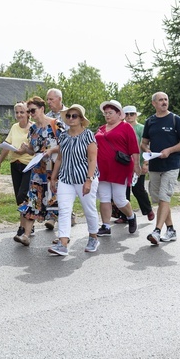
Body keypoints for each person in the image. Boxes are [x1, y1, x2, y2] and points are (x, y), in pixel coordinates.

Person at [49, 105, 100, 255]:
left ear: (81, 119)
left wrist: (89, 180)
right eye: (69, 116)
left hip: (84, 178)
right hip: (66, 178)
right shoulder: (63, 135)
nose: (71, 118)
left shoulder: (88, 135)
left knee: (89, 209)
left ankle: (93, 237)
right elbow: (59, 158)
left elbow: (92, 159)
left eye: (74, 116)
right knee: (64, 210)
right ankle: (63, 244)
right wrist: (53, 177)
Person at [141, 92, 180, 245]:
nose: (164, 102)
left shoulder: (175, 119)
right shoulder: (150, 121)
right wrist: (146, 150)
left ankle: (157, 231)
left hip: (171, 165)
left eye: (166, 100)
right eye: (160, 100)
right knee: (160, 199)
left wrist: (170, 150)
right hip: (155, 165)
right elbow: (143, 142)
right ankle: (171, 230)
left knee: (164, 197)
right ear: (154, 104)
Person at [12, 96, 63, 246]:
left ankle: (62, 236)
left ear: (42, 109)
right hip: (37, 172)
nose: (30, 113)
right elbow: (33, 150)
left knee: (56, 203)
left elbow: (65, 146)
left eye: (32, 110)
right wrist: (25, 148)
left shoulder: (56, 125)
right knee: (33, 201)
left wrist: (51, 150)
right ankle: (26, 236)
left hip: (53, 172)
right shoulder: (33, 128)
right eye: (28, 111)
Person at [95, 100, 140, 237]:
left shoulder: (126, 127)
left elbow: (134, 148)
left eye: (110, 113)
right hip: (103, 169)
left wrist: (137, 166)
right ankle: (106, 225)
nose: (107, 116)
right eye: (105, 113)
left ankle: (131, 217)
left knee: (119, 199)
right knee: (104, 197)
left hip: (120, 168)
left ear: (119, 114)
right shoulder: (101, 129)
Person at [0, 102, 33, 236]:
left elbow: (35, 147)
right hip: (14, 163)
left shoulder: (33, 127)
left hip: (28, 165)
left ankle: (23, 228)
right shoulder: (14, 127)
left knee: (23, 195)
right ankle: (28, 223)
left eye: (22, 112)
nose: (19, 115)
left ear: (28, 113)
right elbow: (7, 145)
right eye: (16, 112)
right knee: (19, 197)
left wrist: (25, 150)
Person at [123, 105, 154, 221]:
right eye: (126, 114)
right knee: (123, 191)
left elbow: (147, 146)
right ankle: (125, 215)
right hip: (123, 164)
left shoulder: (141, 128)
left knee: (138, 188)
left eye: (132, 114)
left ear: (136, 115)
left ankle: (148, 210)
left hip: (138, 163)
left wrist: (146, 163)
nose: (129, 116)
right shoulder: (121, 127)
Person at [44, 88, 68, 229]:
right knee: (52, 185)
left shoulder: (70, 115)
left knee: (65, 188)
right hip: (51, 159)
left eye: (51, 99)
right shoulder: (47, 117)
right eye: (47, 99)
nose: (48, 102)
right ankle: (53, 218)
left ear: (59, 99)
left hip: (67, 159)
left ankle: (68, 214)